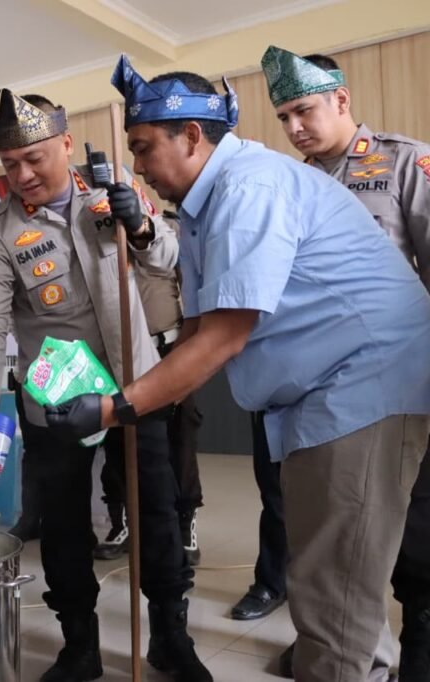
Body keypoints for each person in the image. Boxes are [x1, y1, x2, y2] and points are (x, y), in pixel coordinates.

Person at [47, 54, 430, 682]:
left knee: (332, 596)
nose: (137, 167)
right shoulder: (207, 204)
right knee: (338, 581)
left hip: (363, 387)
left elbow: (225, 336)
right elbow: (197, 329)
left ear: (191, 136)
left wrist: (116, 409)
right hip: (321, 395)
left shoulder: (249, 187)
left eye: (143, 148)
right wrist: (133, 400)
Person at [0, 88, 210, 682]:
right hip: (56, 404)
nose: (22, 175)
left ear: (65, 143)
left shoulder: (111, 189)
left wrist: (139, 224)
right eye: (9, 163)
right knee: (64, 526)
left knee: (156, 514)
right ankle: (79, 646)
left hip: (136, 387)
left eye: (34, 158)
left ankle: (171, 637)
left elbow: (167, 259)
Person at [259, 46, 430, 679]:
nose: (294, 127)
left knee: (410, 535)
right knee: (331, 537)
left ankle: (414, 649)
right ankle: (353, 649)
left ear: (341, 99)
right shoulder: (289, 183)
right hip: (313, 388)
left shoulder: (403, 162)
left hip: (397, 385)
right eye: (283, 117)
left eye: (303, 110)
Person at [96, 222, 205, 566]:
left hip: (169, 349)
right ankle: (123, 522)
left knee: (179, 439)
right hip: (118, 356)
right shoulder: (97, 233)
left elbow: (195, 298)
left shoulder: (164, 232)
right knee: (117, 440)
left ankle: (185, 522)